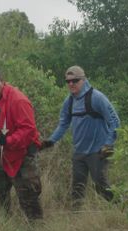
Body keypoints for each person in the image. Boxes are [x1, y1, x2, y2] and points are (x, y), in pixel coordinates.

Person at [41, 65, 120, 208]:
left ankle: (121, 208)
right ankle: (76, 218)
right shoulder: (69, 101)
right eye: (68, 81)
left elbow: (115, 122)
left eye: (75, 80)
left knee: (101, 186)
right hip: (79, 152)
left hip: (98, 152)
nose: (71, 84)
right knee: (77, 188)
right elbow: (63, 124)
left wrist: (108, 144)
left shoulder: (97, 98)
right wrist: (51, 141)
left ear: (83, 80)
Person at [0, 66, 43, 220]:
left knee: (28, 197)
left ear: (1, 81)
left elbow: (29, 130)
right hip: (3, 155)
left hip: (22, 156)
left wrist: (7, 140)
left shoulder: (18, 100)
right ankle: (5, 227)